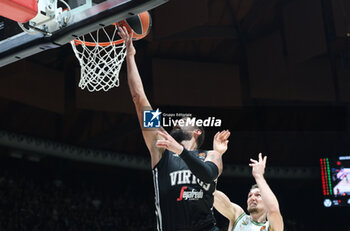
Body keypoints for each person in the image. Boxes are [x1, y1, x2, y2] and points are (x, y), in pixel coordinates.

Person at [118, 26, 231, 231]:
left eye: (186, 120)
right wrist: (130, 56)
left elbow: (208, 174)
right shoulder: (160, 146)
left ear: (197, 131)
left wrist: (180, 150)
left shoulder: (210, 155)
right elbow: (139, 98)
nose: (177, 121)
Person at [214, 153, 283, 231]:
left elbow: (273, 210)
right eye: (250, 196)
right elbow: (212, 193)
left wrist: (259, 176)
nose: (252, 198)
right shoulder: (238, 215)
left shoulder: (271, 227)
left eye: (258, 195)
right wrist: (217, 153)